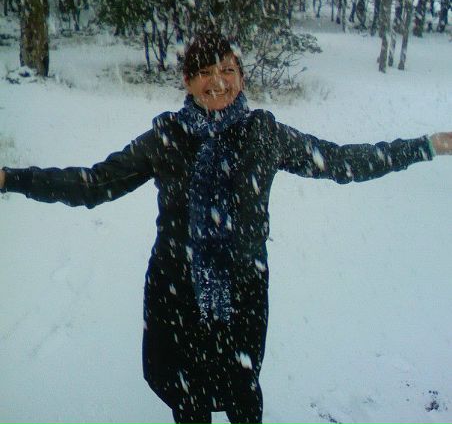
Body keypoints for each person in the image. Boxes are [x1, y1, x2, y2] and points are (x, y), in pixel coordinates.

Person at [1, 32, 451, 424]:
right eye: (204, 72)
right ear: (187, 81)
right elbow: (94, 183)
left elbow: (341, 161)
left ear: (242, 76)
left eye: (228, 69)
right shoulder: (168, 138)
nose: (218, 81)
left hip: (242, 291)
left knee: (242, 394)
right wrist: (11, 179)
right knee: (188, 400)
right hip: (176, 289)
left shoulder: (263, 134)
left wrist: (426, 146)